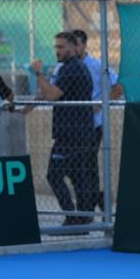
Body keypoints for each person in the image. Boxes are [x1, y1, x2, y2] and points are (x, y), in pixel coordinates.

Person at [30, 32, 94, 226]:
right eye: (56, 47)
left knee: (54, 174)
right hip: (76, 132)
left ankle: (73, 217)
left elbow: (52, 95)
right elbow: (50, 93)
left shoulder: (72, 69)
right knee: (77, 175)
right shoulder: (70, 68)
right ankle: (82, 219)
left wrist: (38, 73)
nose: (57, 51)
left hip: (71, 134)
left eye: (61, 47)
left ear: (74, 48)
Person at [71, 29, 125, 213]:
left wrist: (100, 104)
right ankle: (94, 199)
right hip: (73, 125)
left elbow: (118, 86)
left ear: (84, 45)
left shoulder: (95, 65)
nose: (74, 48)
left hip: (93, 124)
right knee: (79, 165)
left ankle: (92, 202)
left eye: (76, 44)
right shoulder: (65, 66)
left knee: (87, 164)